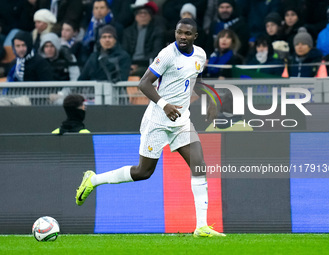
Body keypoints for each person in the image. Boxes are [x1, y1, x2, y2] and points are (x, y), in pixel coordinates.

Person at [75, 18, 226, 237]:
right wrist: (164, 105)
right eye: (179, 32)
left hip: (181, 120)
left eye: (187, 33)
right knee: (143, 172)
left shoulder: (200, 54)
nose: (182, 37)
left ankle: (201, 226)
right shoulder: (167, 55)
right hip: (157, 120)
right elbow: (143, 83)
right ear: (175, 33)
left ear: (195, 36)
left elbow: (193, 80)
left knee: (199, 165)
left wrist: (210, 99)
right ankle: (93, 179)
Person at [122, 0, 164, 77]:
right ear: (135, 16)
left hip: (148, 65)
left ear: (150, 16)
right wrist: (129, 65)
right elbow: (125, 52)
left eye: (145, 13)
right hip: (130, 64)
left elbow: (156, 52)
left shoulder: (157, 31)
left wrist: (138, 65)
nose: (142, 15)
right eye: (139, 13)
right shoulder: (127, 32)